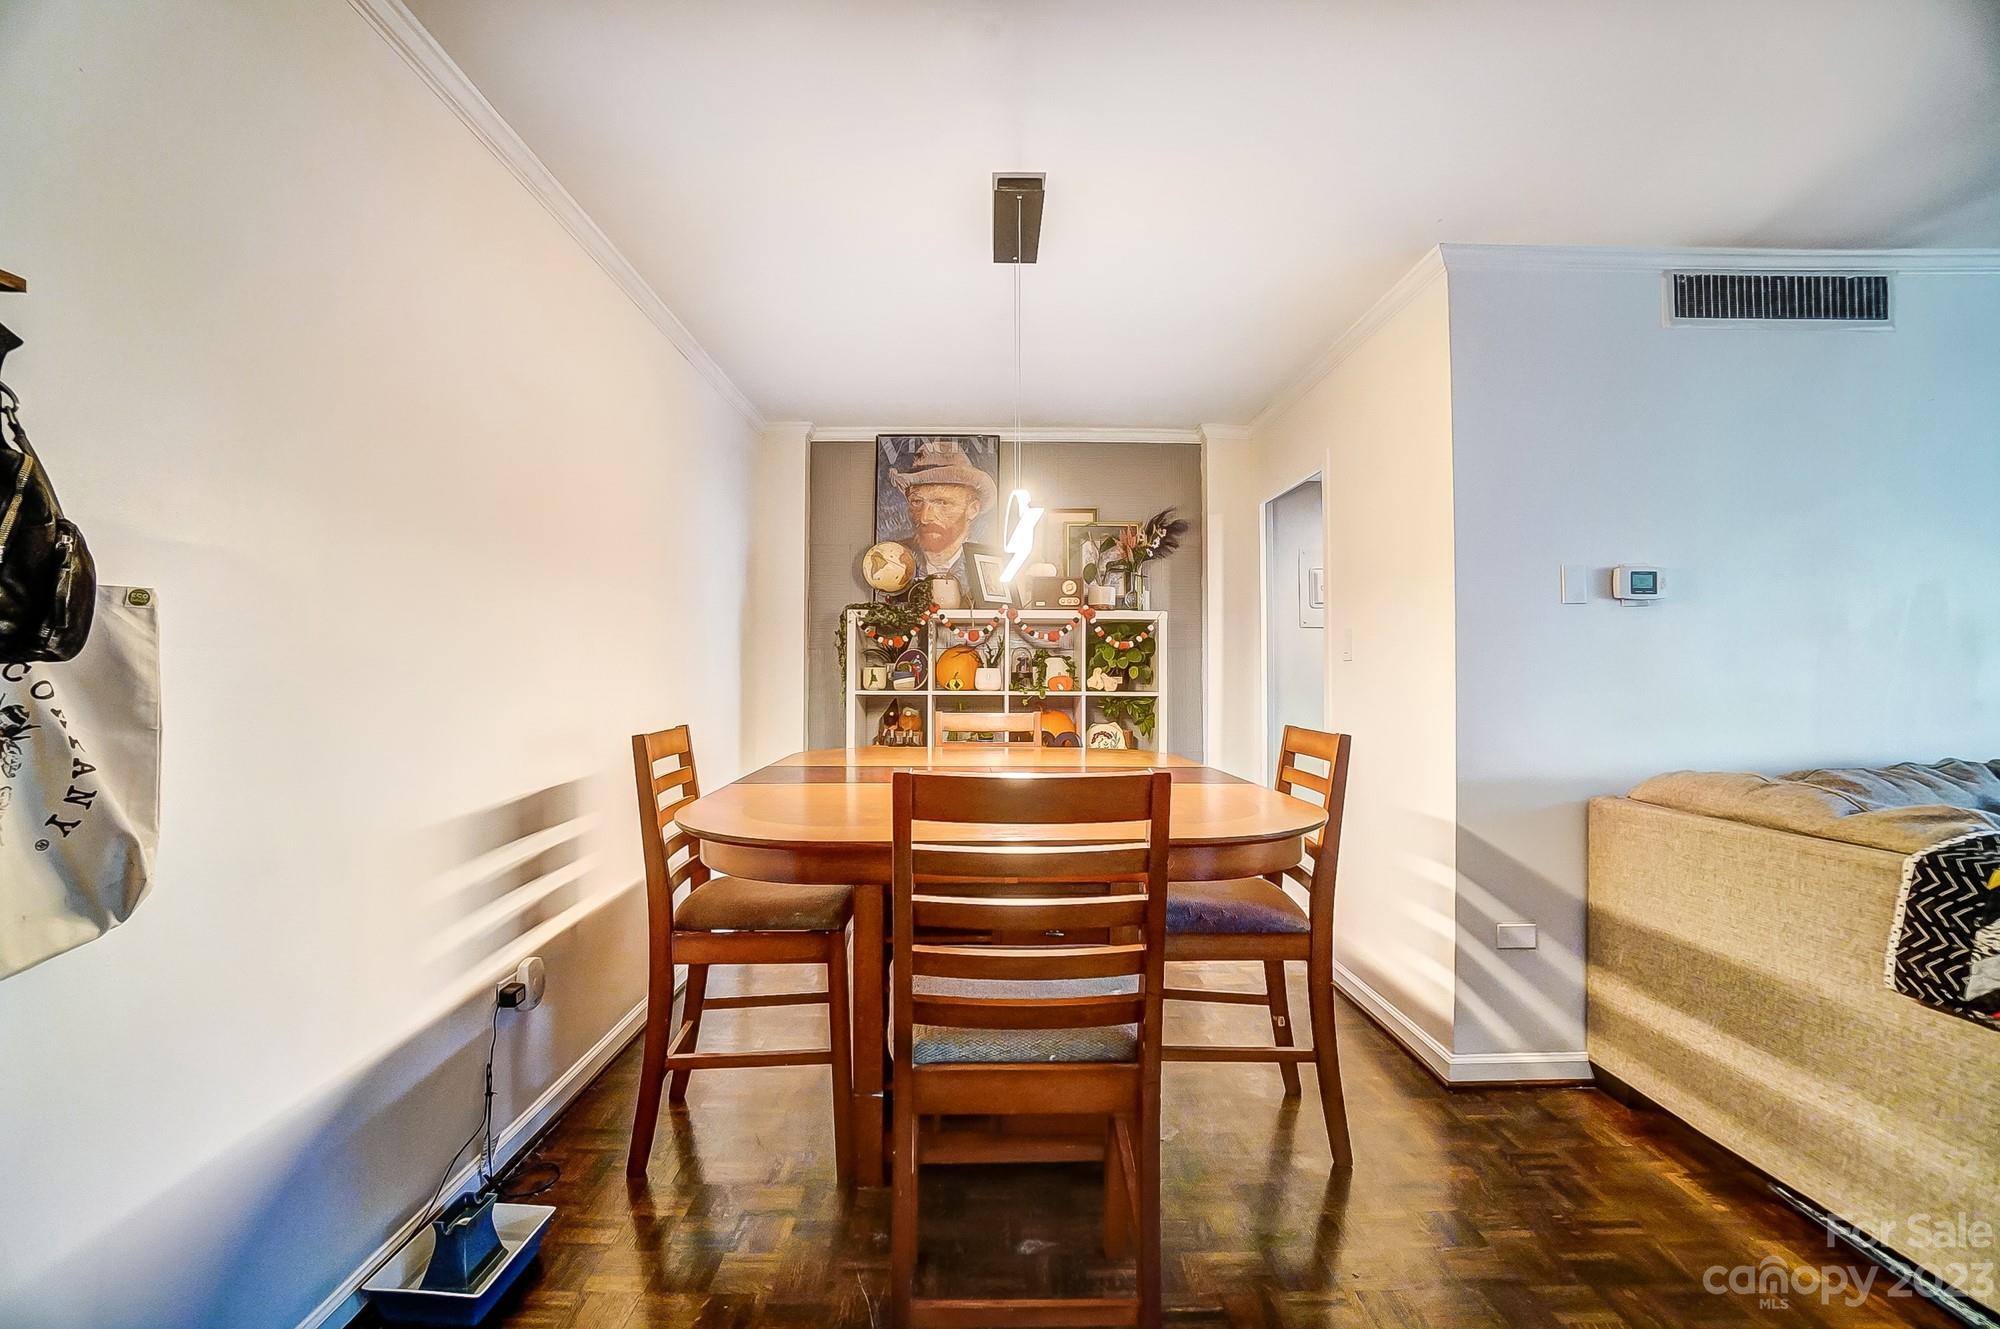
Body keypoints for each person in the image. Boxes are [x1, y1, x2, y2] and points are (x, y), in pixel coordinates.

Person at [888, 438, 997, 593]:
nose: (924, 517)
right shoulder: (893, 558)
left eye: (942, 503)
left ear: (973, 509)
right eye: (917, 501)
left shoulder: (987, 567)